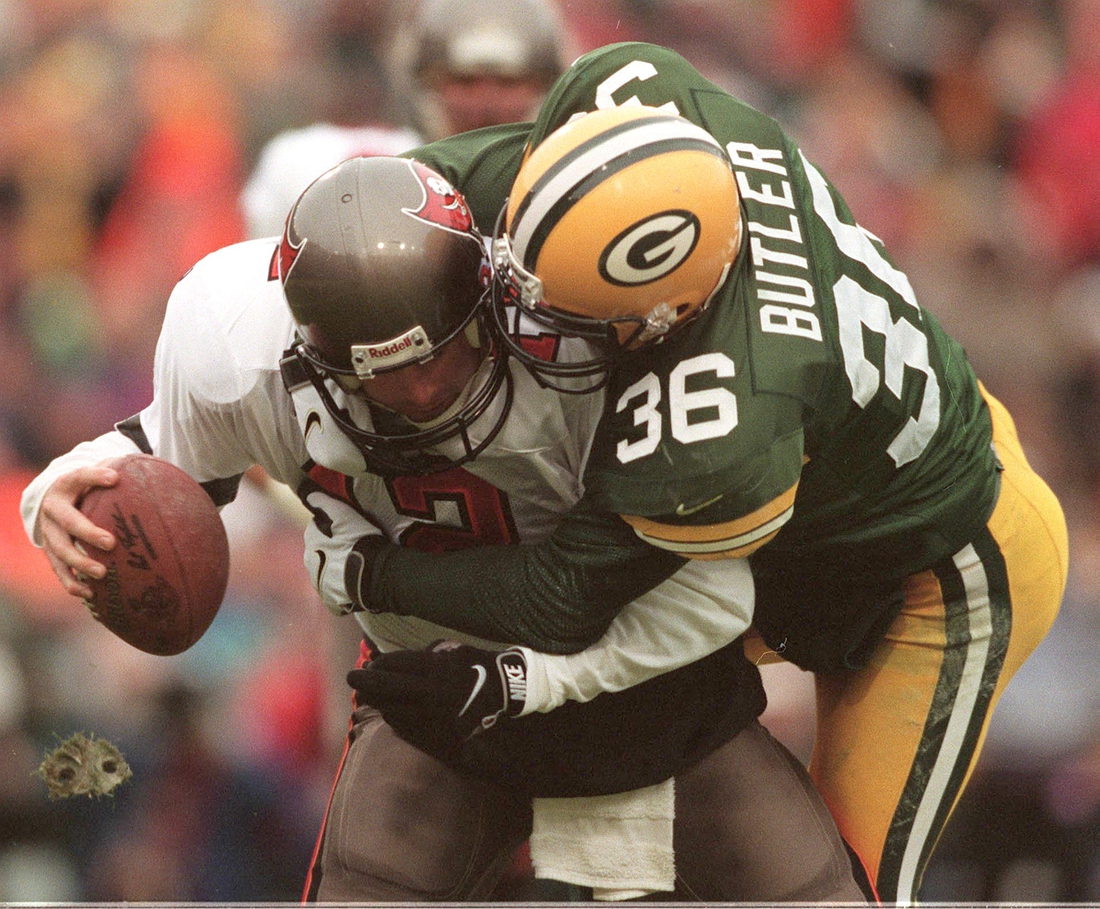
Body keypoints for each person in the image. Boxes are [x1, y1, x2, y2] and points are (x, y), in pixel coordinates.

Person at [328, 42, 1070, 905]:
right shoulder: (639, 94)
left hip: (934, 568)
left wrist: (374, 571)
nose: (529, 325)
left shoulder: (726, 419)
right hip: (864, 452)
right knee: (614, 737)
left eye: (568, 313)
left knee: (836, 883)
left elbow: (562, 600)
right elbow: (468, 181)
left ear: (666, 315)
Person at [20, 155, 866, 902]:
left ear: (493, 297)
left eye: (441, 353)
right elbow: (155, 459)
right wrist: (56, 495)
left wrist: (518, 678)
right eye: (386, 375)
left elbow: (712, 596)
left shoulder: (589, 330)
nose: (425, 392)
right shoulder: (240, 346)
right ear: (313, 352)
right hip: (438, 715)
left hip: (656, 700)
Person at [240, 0, 570, 240]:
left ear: (547, 86)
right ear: (424, 83)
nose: (485, 102)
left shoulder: (572, 182)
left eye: (509, 82)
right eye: (464, 81)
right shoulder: (366, 164)